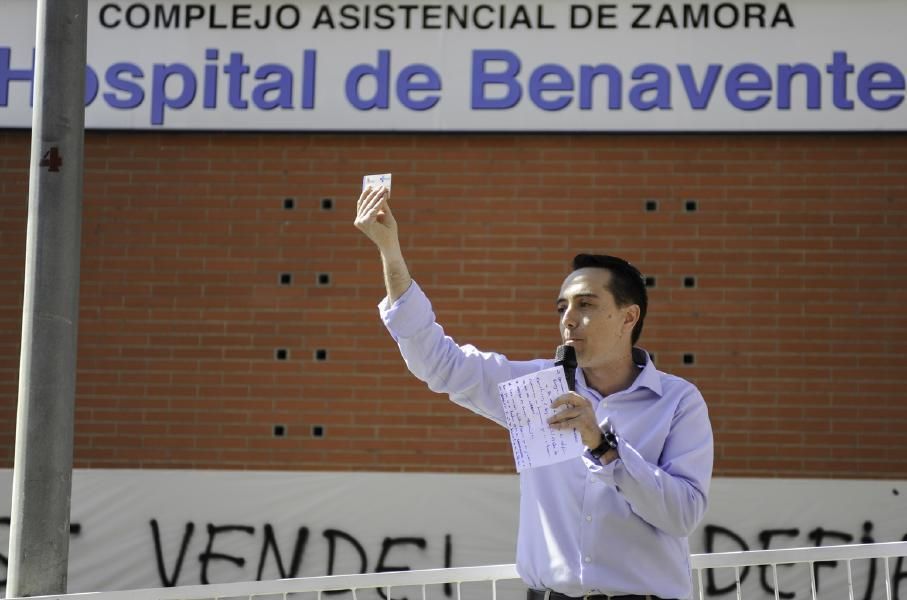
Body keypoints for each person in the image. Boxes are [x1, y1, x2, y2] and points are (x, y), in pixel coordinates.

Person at [354, 185, 714, 600]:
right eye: (562, 307)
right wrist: (390, 253)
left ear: (628, 316)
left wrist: (604, 446)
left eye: (586, 305)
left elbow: (682, 515)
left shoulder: (678, 401)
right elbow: (439, 362)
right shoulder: (539, 388)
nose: (569, 320)